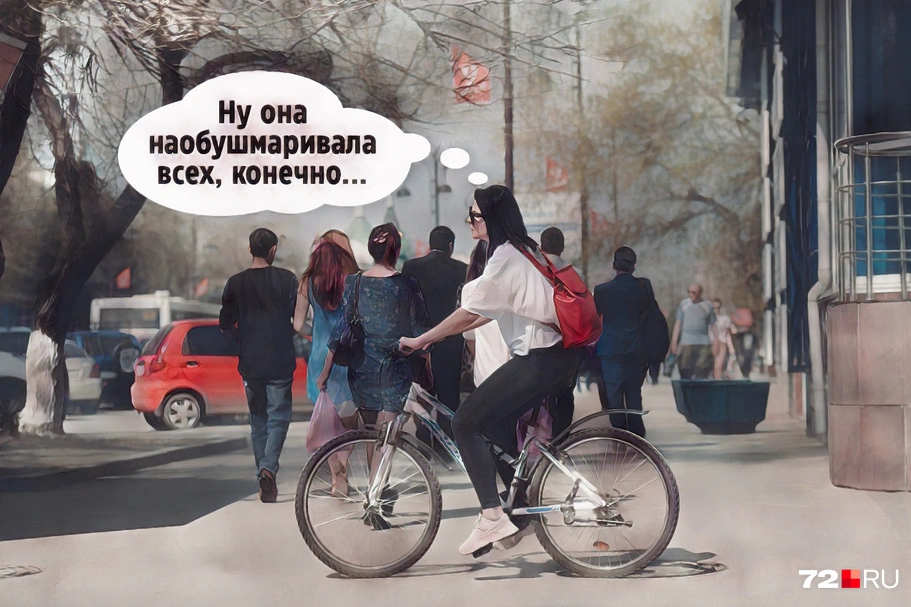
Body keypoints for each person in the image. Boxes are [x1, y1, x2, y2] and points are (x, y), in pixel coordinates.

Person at [400, 185, 584, 556]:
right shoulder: (521, 250)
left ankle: (492, 516)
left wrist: (422, 340)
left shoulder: (505, 256)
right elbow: (484, 312)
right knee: (496, 426)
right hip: (554, 357)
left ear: (491, 219)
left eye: (474, 215)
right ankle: (519, 511)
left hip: (538, 358)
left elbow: (470, 312)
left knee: (464, 423)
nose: (469, 221)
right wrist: (436, 337)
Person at [319, 223, 430, 434]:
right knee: (387, 432)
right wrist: (427, 367)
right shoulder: (407, 284)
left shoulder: (354, 283)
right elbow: (420, 328)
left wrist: (326, 371)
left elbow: (341, 329)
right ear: (397, 250)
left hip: (362, 366)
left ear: (371, 249)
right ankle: (383, 457)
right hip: (396, 365)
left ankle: (372, 459)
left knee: (370, 431)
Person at [219, 228, 298, 503]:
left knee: (258, 421)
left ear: (249, 249)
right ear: (273, 250)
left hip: (250, 362)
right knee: (278, 418)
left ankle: (264, 478)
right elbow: (297, 317)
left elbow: (225, 324)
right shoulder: (288, 279)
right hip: (280, 360)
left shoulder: (235, 283)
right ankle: (268, 468)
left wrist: (241, 338)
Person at [402, 226, 468, 437]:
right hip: (450, 341)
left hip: (419, 342)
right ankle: (445, 445)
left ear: (430, 244)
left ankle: (423, 442)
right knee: (449, 399)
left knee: (421, 396)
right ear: (450, 246)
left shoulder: (411, 267)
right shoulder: (462, 269)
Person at [593, 246, 658, 438]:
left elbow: (594, 321)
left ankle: (620, 437)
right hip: (636, 349)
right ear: (633, 266)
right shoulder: (643, 287)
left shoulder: (602, 291)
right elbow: (651, 319)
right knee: (633, 395)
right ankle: (637, 437)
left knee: (614, 398)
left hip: (610, 350)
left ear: (614, 265)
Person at [293, 240, 359, 416]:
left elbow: (298, 325)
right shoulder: (351, 283)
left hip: (319, 353)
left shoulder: (307, 282)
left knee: (323, 412)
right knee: (347, 413)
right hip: (346, 353)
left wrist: (314, 332)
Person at [538, 226, 583, 434]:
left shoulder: (534, 271)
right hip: (569, 341)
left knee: (539, 392)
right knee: (565, 392)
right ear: (562, 247)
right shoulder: (576, 273)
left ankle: (540, 436)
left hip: (540, 340)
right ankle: (562, 437)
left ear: (541, 247)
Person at [670, 284, 716, 380]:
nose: (691, 294)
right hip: (687, 343)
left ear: (700, 293)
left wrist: (716, 342)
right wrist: (674, 342)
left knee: (702, 370)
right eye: (689, 292)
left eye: (693, 292)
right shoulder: (684, 305)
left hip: (704, 343)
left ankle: (700, 388)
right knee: (685, 369)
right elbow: (678, 324)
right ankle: (686, 388)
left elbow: (713, 325)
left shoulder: (707, 305)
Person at [711, 298, 734, 380]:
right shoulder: (709, 319)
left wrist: (731, 347)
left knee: (719, 366)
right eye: (714, 308)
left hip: (722, 342)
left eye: (718, 307)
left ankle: (718, 380)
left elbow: (728, 334)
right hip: (711, 342)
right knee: (713, 366)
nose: (716, 310)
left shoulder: (725, 318)